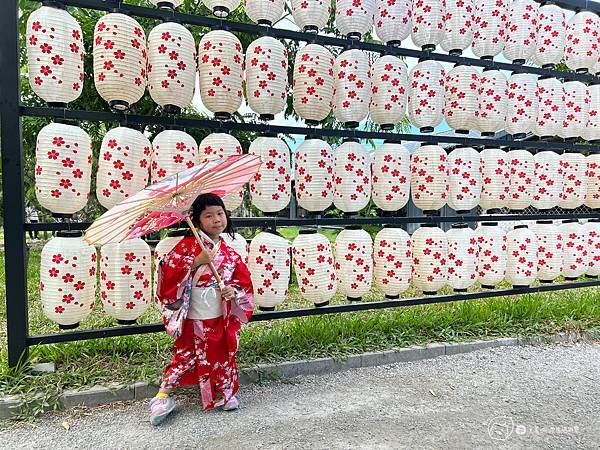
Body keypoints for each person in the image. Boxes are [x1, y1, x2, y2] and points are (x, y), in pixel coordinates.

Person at [150, 193, 254, 426]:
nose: (217, 219)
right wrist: (195, 262)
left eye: (220, 213)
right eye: (208, 215)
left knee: (222, 352)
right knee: (185, 354)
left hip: (219, 312)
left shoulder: (229, 252)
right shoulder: (187, 247)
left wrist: (232, 292)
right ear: (196, 221)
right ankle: (162, 395)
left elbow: (242, 282)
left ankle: (222, 391)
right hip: (194, 314)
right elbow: (167, 271)